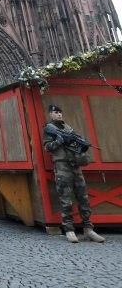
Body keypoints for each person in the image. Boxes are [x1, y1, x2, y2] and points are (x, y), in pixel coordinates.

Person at [43, 104, 105, 243]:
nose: (59, 114)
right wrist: (58, 141)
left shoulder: (69, 128)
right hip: (62, 166)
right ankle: (69, 229)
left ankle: (88, 228)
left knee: (83, 197)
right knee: (66, 199)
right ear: (50, 114)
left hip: (75, 166)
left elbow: (77, 142)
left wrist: (82, 144)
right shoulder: (49, 130)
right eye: (56, 112)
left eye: (60, 112)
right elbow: (47, 147)